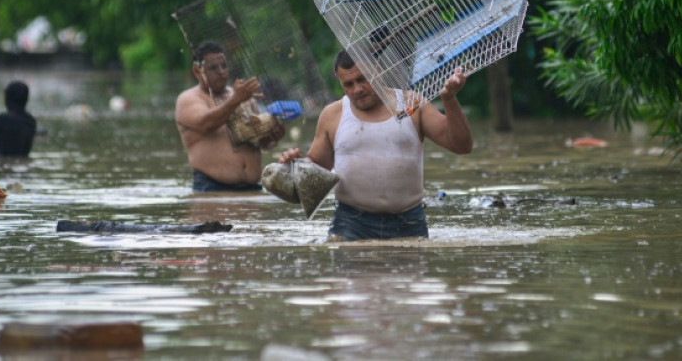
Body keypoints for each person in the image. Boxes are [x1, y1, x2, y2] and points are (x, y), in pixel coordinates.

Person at [279, 49, 472, 241]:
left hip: (408, 221)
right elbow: (317, 167)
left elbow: (462, 145)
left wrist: (449, 99)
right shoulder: (333, 114)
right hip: (351, 222)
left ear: (379, 72)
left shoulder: (411, 104)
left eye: (363, 80)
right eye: (348, 84)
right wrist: (296, 165)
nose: (357, 89)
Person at [175, 41, 284, 192]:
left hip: (252, 189)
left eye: (224, 66)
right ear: (197, 71)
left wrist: (272, 138)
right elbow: (206, 123)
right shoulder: (189, 99)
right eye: (213, 67)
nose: (221, 72)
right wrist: (236, 101)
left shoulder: (242, 95)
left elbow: (258, 141)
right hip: (211, 189)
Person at [0, 80, 37, 158]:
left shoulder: (2, 119)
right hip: (23, 163)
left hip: (0, 164)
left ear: (7, 98)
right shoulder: (31, 121)